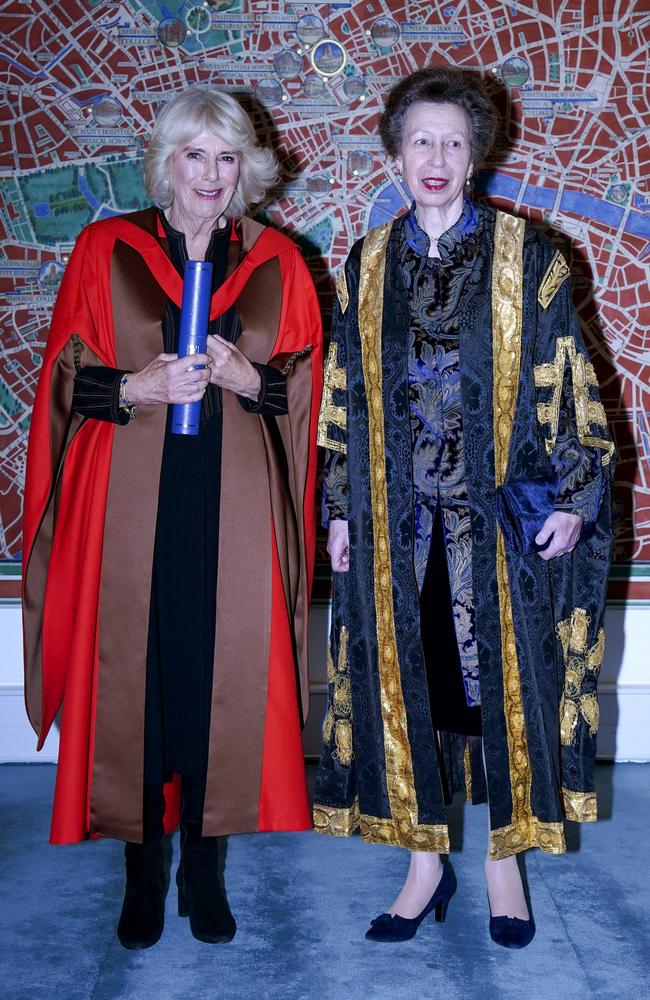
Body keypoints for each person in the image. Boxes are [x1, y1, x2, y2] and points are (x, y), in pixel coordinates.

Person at [313, 67, 614, 949]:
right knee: (420, 688)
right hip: (394, 526)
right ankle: (423, 865)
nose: (436, 158)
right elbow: (343, 399)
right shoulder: (365, 266)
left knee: (500, 696)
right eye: (420, 142)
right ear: (395, 155)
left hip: (497, 528)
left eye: (453, 141)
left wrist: (572, 494)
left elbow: (571, 381)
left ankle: (500, 866)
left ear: (477, 154)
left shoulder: (531, 257)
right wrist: (338, 507)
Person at [22, 87, 323, 949]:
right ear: (167, 161)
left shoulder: (277, 262)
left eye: (228, 159)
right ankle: (143, 873)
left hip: (233, 509)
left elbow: (305, 392)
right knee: (141, 685)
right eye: (197, 155)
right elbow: (62, 381)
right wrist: (134, 387)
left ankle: (204, 869)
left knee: (213, 682)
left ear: (246, 170)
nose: (212, 175)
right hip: (128, 504)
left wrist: (245, 379)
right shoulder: (104, 250)